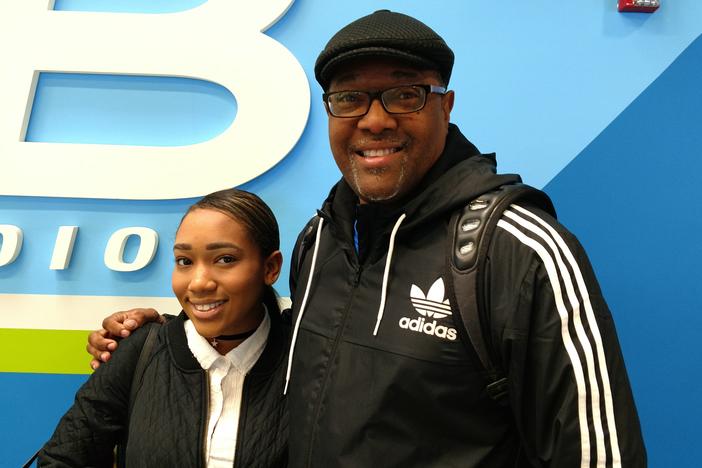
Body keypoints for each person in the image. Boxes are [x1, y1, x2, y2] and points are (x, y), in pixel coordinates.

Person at [87, 10, 646, 467]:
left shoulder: (518, 251)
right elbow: (286, 349)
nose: (374, 121)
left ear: (445, 106)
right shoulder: (320, 239)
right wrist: (159, 336)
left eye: (404, 95)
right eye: (349, 98)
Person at [41, 189, 289, 467]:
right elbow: (62, 459)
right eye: (185, 261)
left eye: (225, 259)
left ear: (270, 267)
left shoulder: (307, 354)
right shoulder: (141, 349)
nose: (198, 283)